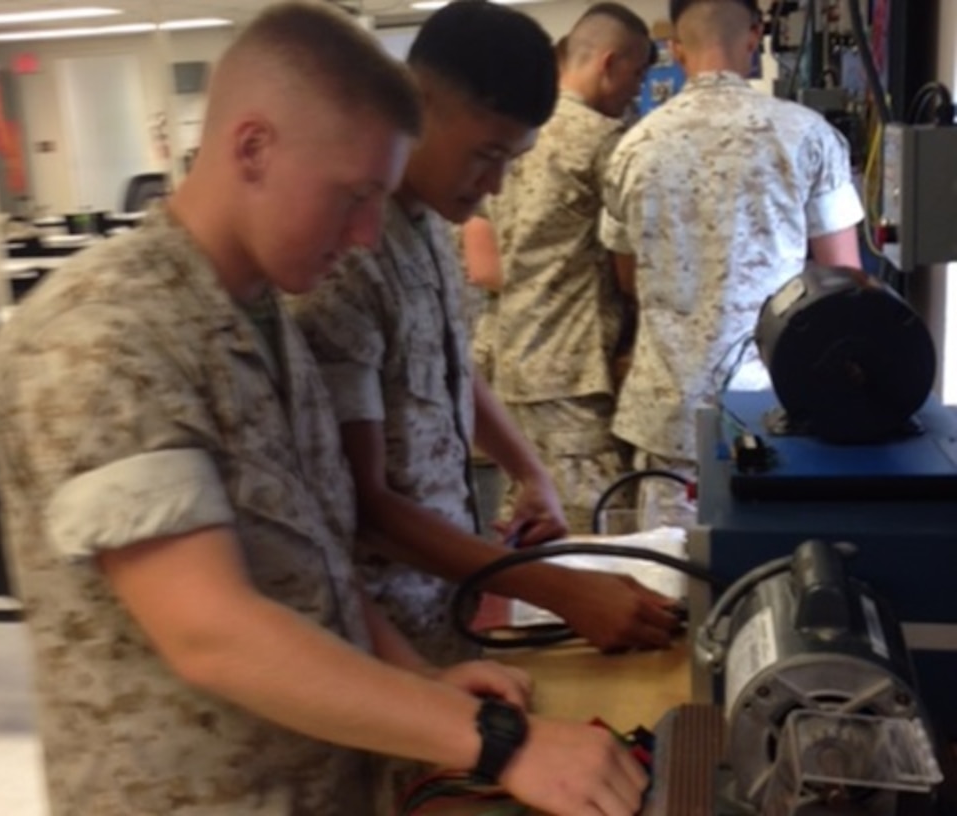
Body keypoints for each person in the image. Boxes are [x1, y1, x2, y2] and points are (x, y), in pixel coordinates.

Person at [0, 4, 648, 815]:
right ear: (254, 147)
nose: (370, 236)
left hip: (323, 776)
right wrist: (496, 741)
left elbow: (315, 570)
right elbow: (213, 632)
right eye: (353, 197)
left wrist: (424, 685)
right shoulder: (105, 334)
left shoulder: (259, 318)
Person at [290, 0, 679, 663]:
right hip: (378, 636)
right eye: (486, 154)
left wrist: (528, 469)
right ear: (419, 101)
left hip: (444, 600)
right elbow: (368, 506)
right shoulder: (347, 257)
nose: (496, 186)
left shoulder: (427, 223)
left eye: (512, 158)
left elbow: (448, 368)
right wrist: (560, 590)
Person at [599, 0, 864, 530]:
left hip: (668, 419)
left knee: (673, 590)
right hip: (775, 417)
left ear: (675, 47)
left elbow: (627, 280)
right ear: (755, 35)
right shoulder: (808, 135)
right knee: (775, 590)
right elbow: (844, 282)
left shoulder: (632, 148)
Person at [473, 3, 654, 535]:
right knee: (591, 536)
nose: (637, 90)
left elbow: (484, 255)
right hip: (574, 372)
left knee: (526, 520)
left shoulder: (516, 131)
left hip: (512, 362)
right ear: (608, 63)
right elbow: (632, 271)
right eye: (638, 73)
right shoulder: (605, 143)